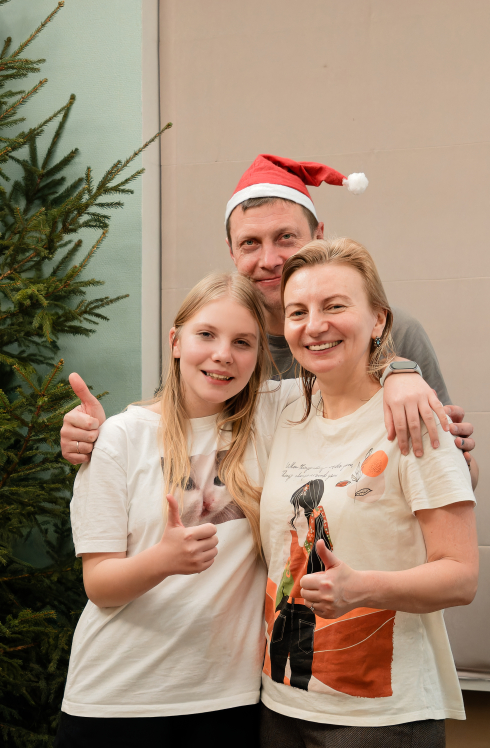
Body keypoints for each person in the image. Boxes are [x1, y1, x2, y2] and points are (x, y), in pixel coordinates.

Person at [55, 273, 446, 748]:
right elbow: (99, 586)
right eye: (206, 335)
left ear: (260, 355)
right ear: (175, 341)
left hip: (231, 699)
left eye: (242, 342)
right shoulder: (119, 437)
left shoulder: (277, 412)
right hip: (119, 698)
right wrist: (163, 560)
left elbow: (349, 364)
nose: (223, 354)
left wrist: (402, 373)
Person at [59, 154, 475, 466]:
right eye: (250, 244)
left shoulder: (392, 332)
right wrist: (99, 437)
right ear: (232, 251)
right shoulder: (220, 346)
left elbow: (458, 470)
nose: (270, 260)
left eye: (286, 238)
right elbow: (171, 426)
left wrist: (398, 370)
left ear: (319, 235)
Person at [259, 238, 478, 748]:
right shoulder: (281, 412)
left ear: (379, 320)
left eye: (335, 306)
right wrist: (97, 431)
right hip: (280, 701)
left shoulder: (416, 419)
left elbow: (461, 577)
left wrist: (361, 589)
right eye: (298, 312)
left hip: (381, 715)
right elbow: (196, 399)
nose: (315, 325)